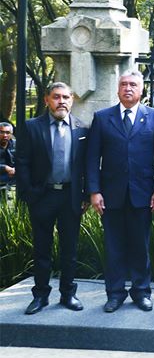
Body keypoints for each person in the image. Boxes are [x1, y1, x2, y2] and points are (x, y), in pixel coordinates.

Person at [86, 69, 154, 313]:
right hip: (110, 196)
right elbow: (91, 159)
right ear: (117, 89)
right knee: (113, 247)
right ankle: (115, 293)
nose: (128, 88)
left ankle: (141, 292)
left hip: (143, 194)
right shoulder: (102, 118)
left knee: (140, 247)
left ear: (142, 90)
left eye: (133, 84)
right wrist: (94, 191)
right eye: (124, 84)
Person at [15, 83, 87, 314]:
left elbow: (87, 166)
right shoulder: (31, 127)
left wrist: (85, 195)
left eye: (66, 97)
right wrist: (30, 194)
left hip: (70, 197)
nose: (61, 101)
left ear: (72, 100)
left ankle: (68, 294)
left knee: (69, 250)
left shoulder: (81, 128)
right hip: (42, 196)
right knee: (41, 249)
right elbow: (22, 162)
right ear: (47, 99)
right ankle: (40, 296)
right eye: (56, 97)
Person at [0, 121, 16, 187]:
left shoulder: (16, 144)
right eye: (1, 132)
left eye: (7, 132)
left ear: (11, 134)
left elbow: (24, 159)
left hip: (14, 174)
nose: (5, 135)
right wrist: (5, 168)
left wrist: (15, 169)